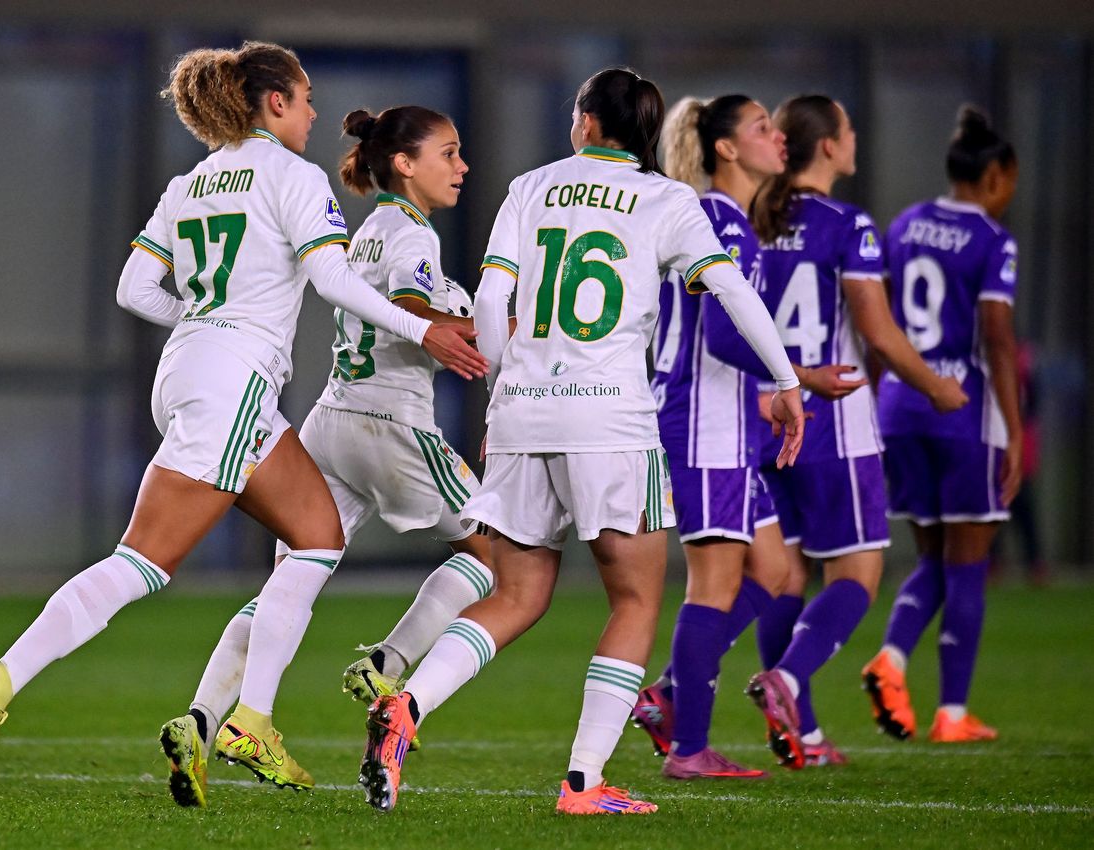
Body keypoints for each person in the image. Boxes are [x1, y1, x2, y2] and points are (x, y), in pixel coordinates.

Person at [0, 41, 486, 790]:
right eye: (302, 100)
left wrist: (204, 323)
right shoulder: (290, 176)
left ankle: (248, 722)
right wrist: (421, 328)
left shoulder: (191, 180)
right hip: (230, 380)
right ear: (273, 103)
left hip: (195, 372)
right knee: (144, 562)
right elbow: (330, 279)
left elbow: (135, 289)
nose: (312, 113)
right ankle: (0, 681)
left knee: (315, 536)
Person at [357, 67, 806, 816]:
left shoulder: (530, 187)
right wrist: (785, 381)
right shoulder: (669, 200)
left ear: (589, 122)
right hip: (610, 420)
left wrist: (504, 383)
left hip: (524, 413)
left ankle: (407, 706)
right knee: (633, 598)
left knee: (516, 595)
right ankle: (582, 782)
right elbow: (731, 291)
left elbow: (495, 298)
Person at [156, 105, 496, 807]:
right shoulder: (410, 237)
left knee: (289, 583)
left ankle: (202, 719)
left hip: (329, 421)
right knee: (503, 554)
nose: (461, 167)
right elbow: (413, 306)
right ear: (404, 164)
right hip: (391, 423)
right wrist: (497, 328)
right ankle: (388, 665)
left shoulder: (369, 229)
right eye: (448, 153)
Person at [632, 94, 867, 779]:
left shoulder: (724, 220)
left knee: (775, 570)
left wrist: (765, 397)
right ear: (728, 149)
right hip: (700, 425)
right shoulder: (720, 223)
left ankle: (671, 696)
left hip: (723, 421)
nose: (778, 137)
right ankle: (688, 749)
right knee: (712, 584)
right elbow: (723, 333)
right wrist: (797, 378)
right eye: (761, 128)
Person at [744, 94, 968, 768]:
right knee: (857, 574)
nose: (854, 135)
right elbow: (874, 330)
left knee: (782, 579)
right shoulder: (846, 223)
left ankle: (801, 736)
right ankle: (786, 682)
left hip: (756, 416)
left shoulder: (749, 217)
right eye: (846, 128)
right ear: (828, 147)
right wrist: (932, 386)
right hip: (829, 421)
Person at [863, 105, 1021, 744]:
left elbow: (877, 325)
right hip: (960, 409)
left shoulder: (904, 226)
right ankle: (951, 711)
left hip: (900, 404)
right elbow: (999, 338)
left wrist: (883, 400)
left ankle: (893, 657)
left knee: (932, 554)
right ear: (994, 177)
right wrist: (1010, 428)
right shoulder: (992, 238)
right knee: (968, 562)